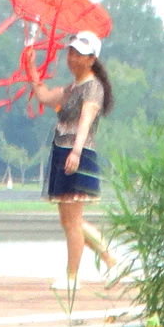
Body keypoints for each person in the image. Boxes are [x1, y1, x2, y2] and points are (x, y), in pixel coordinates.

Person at [36, 30, 113, 285]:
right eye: (70, 52)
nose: (72, 58)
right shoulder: (72, 87)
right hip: (62, 150)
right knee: (69, 220)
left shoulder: (93, 87)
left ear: (91, 59)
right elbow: (45, 97)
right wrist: (31, 70)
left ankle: (72, 277)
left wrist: (76, 152)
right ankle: (111, 261)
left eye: (78, 54)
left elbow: (85, 122)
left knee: (72, 221)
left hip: (77, 153)